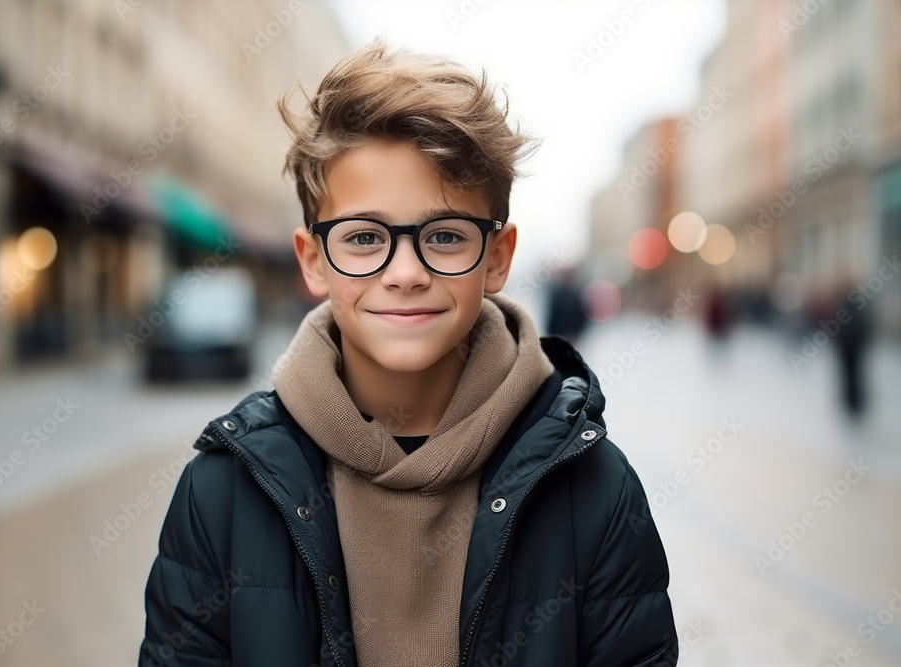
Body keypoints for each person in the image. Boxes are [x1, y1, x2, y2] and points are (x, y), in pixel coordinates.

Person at [139, 38, 678, 667]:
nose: (405, 272)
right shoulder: (224, 492)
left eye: (445, 236)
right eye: (364, 237)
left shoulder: (594, 489)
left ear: (498, 258)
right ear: (313, 260)